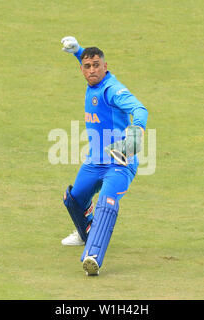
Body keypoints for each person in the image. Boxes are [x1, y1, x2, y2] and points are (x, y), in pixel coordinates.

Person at [60, 36, 148, 276]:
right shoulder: (93, 81)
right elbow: (87, 61)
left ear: (105, 67)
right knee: (74, 199)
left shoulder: (113, 90)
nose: (92, 70)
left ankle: (93, 256)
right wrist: (78, 50)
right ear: (82, 69)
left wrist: (137, 131)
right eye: (87, 66)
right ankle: (85, 233)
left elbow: (139, 108)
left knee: (106, 204)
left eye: (96, 65)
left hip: (120, 161)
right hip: (95, 160)